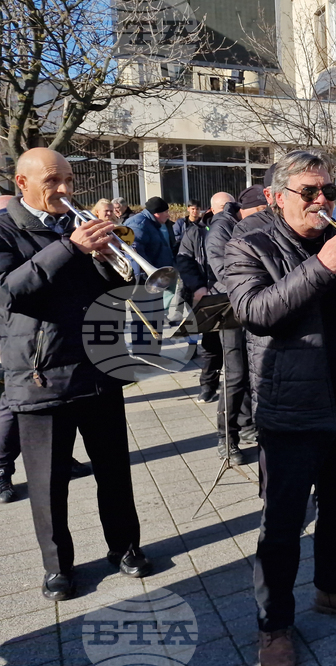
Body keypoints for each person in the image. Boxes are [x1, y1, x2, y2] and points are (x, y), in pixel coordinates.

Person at [225, 150, 336, 666]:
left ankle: (334, 587)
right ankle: (274, 625)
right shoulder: (250, 242)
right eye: (309, 192)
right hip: (292, 404)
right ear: (278, 197)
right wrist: (323, 265)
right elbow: (256, 313)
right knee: (281, 524)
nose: (322, 200)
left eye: (326, 189)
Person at [0, 148, 151, 600]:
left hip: (100, 366)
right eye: (52, 181)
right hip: (40, 373)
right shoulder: (6, 229)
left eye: (68, 179)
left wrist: (113, 260)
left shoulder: (75, 224)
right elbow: (8, 292)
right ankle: (57, 567)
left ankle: (125, 547)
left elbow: (118, 291)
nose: (65, 190)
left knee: (114, 470)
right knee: (47, 482)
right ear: (21, 183)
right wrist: (70, 248)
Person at [205, 187, 266, 463]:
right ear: (245, 208)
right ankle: (226, 439)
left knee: (253, 371)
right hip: (230, 308)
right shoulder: (221, 228)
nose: (263, 219)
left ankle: (248, 425)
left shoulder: (248, 223)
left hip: (254, 304)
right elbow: (224, 272)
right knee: (234, 375)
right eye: (259, 213)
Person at [175, 193, 233, 405]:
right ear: (213, 209)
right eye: (225, 207)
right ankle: (208, 387)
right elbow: (185, 262)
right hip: (208, 294)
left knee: (234, 346)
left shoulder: (238, 226)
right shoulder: (195, 232)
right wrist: (198, 287)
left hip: (232, 294)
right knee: (211, 344)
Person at [126, 196, 174, 272]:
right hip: (147, 277)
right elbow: (135, 251)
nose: (168, 215)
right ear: (157, 213)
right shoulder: (139, 224)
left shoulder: (152, 223)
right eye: (166, 212)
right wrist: (146, 274)